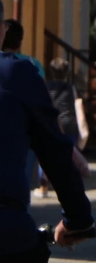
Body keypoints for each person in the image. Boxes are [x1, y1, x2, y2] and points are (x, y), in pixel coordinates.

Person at [0, 0, 96, 263]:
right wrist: (77, 220)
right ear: (2, 30)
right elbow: (56, 154)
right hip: (6, 233)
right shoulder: (16, 73)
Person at [3, 20, 46, 199]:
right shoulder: (32, 64)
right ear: (20, 41)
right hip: (24, 130)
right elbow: (42, 99)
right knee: (23, 178)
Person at [39, 59, 89, 196]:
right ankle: (68, 184)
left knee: (45, 153)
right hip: (69, 124)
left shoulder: (46, 87)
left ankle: (44, 185)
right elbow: (76, 105)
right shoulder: (71, 88)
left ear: (51, 72)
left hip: (52, 124)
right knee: (68, 154)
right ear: (67, 73)